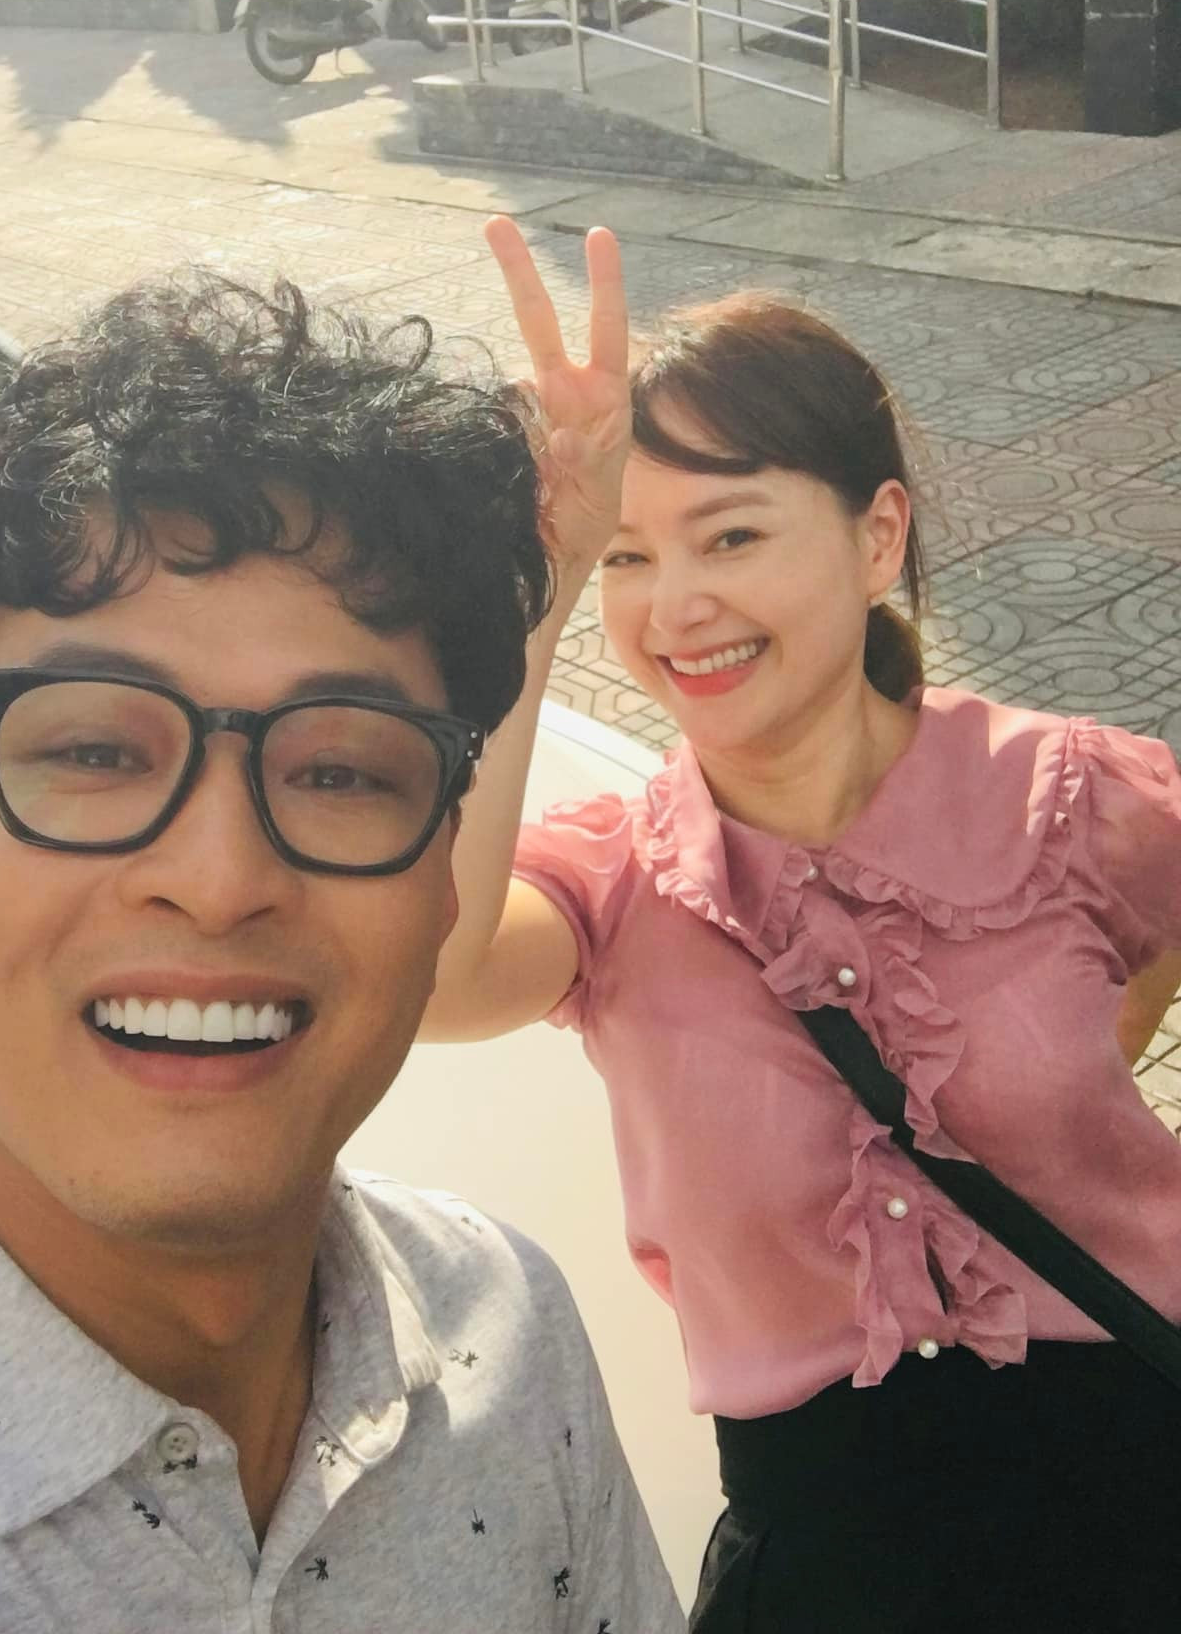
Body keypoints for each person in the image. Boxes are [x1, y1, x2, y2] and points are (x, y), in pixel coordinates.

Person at [0, 274, 683, 1634]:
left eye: (341, 771)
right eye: (92, 751)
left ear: (444, 880)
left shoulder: (510, 1334)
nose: (219, 881)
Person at [425, 217, 1181, 1633]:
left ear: (876, 536)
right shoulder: (617, 883)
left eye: (733, 535)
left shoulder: (1074, 796)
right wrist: (540, 580)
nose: (677, 606)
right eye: (630, 559)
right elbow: (433, 977)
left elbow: (1140, 974)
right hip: (836, 1576)